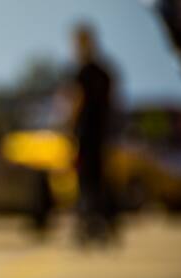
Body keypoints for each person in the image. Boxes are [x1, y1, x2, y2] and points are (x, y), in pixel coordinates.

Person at [70, 24, 116, 244]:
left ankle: (89, 225)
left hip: (87, 134)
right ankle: (102, 225)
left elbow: (77, 102)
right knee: (99, 180)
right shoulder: (105, 71)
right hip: (102, 134)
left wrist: (69, 125)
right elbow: (114, 101)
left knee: (86, 181)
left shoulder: (84, 71)